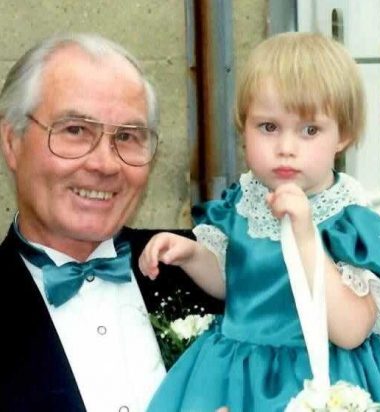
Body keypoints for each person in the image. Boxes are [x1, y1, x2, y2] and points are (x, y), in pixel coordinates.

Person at [139, 32, 380, 411]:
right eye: (268, 127)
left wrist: (306, 236)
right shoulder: (243, 201)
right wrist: (191, 255)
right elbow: (234, 283)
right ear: (244, 128)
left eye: (309, 130)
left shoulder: (350, 220)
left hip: (323, 378)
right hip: (240, 377)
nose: (286, 146)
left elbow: (351, 331)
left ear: (344, 135)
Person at [0, 33, 223, 411]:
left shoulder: (209, 270)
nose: (105, 164)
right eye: (75, 131)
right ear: (12, 142)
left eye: (127, 136)